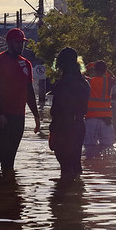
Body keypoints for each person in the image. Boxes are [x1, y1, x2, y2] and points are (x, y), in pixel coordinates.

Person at [0, 28, 40, 174]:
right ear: (9, 43)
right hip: (1, 115)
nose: (20, 46)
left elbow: (29, 91)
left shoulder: (26, 64)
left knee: (10, 158)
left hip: (18, 116)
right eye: (18, 42)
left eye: (22, 43)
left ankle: (9, 192)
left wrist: (36, 116)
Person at [48, 48, 90, 177]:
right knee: (76, 163)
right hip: (79, 125)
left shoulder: (63, 84)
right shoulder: (84, 83)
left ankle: (65, 194)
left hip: (63, 127)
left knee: (65, 166)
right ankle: (78, 193)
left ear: (60, 63)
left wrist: (53, 131)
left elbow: (57, 110)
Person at [84, 60, 116, 153]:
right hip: (106, 120)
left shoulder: (89, 81)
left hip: (91, 119)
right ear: (104, 71)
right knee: (108, 148)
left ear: (94, 70)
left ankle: (90, 167)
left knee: (89, 147)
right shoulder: (109, 82)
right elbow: (113, 77)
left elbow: (78, 75)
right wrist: (106, 70)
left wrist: (88, 65)